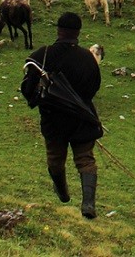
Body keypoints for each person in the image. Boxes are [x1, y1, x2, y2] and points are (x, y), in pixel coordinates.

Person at [25, 11, 103, 218]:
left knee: (55, 159)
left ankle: (63, 192)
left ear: (58, 30)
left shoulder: (42, 55)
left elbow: (27, 88)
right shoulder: (88, 58)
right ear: (77, 33)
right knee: (86, 159)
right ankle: (88, 204)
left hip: (54, 120)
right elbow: (94, 87)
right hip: (82, 118)